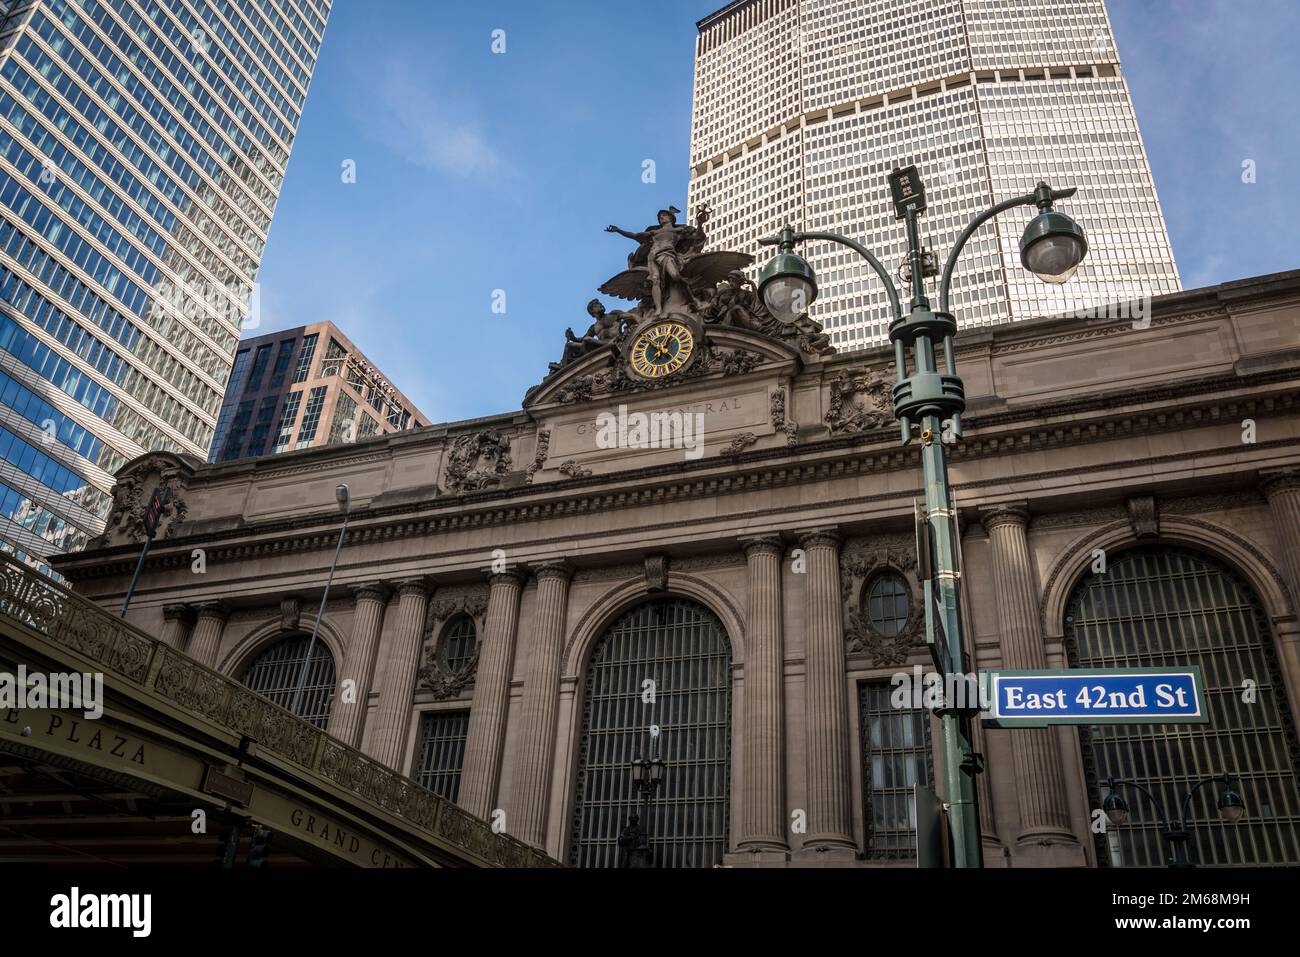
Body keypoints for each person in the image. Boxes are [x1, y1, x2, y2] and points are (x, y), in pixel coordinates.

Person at [606, 207, 704, 317]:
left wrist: (700, 223)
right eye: (660, 217)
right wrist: (618, 230)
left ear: (671, 218)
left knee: (675, 276)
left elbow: (698, 237)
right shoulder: (654, 232)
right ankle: (658, 309)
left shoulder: (679, 231)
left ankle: (693, 299)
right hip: (652, 257)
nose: (661, 217)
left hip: (667, 254)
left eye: (664, 215)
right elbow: (635, 235)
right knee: (655, 281)